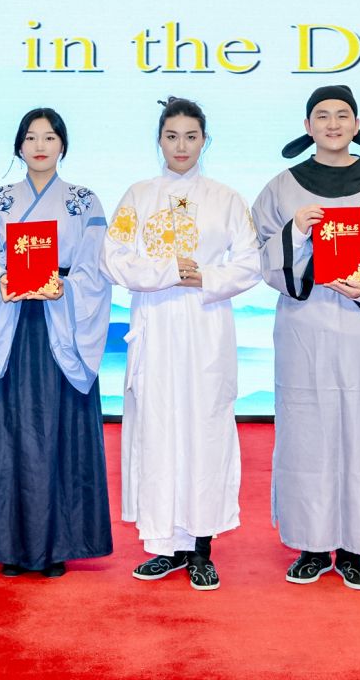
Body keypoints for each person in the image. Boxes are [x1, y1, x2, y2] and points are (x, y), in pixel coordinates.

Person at [253, 85, 360, 591]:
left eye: (342, 115)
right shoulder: (282, 186)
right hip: (304, 323)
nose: (332, 124)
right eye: (321, 116)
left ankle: (353, 547)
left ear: (356, 124)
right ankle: (310, 544)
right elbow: (260, 250)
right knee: (305, 428)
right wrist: (295, 230)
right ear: (307, 126)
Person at [101, 96, 261, 591]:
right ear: (159, 141)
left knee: (205, 429)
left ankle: (201, 547)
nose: (181, 146)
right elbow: (113, 257)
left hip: (205, 325)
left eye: (191, 136)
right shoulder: (138, 195)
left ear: (205, 141)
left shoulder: (225, 198)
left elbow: (251, 261)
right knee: (157, 428)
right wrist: (168, 271)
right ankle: (164, 545)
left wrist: (205, 277)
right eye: (172, 136)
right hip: (155, 326)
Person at [0, 108, 114, 577]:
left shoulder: (84, 201)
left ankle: (57, 545)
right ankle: (9, 546)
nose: (40, 146)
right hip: (12, 322)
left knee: (58, 432)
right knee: (7, 435)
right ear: (19, 146)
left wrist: (65, 286)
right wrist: (3, 277)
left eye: (49, 137)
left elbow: (95, 265)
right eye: (31, 138)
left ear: (63, 145)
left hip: (60, 322)